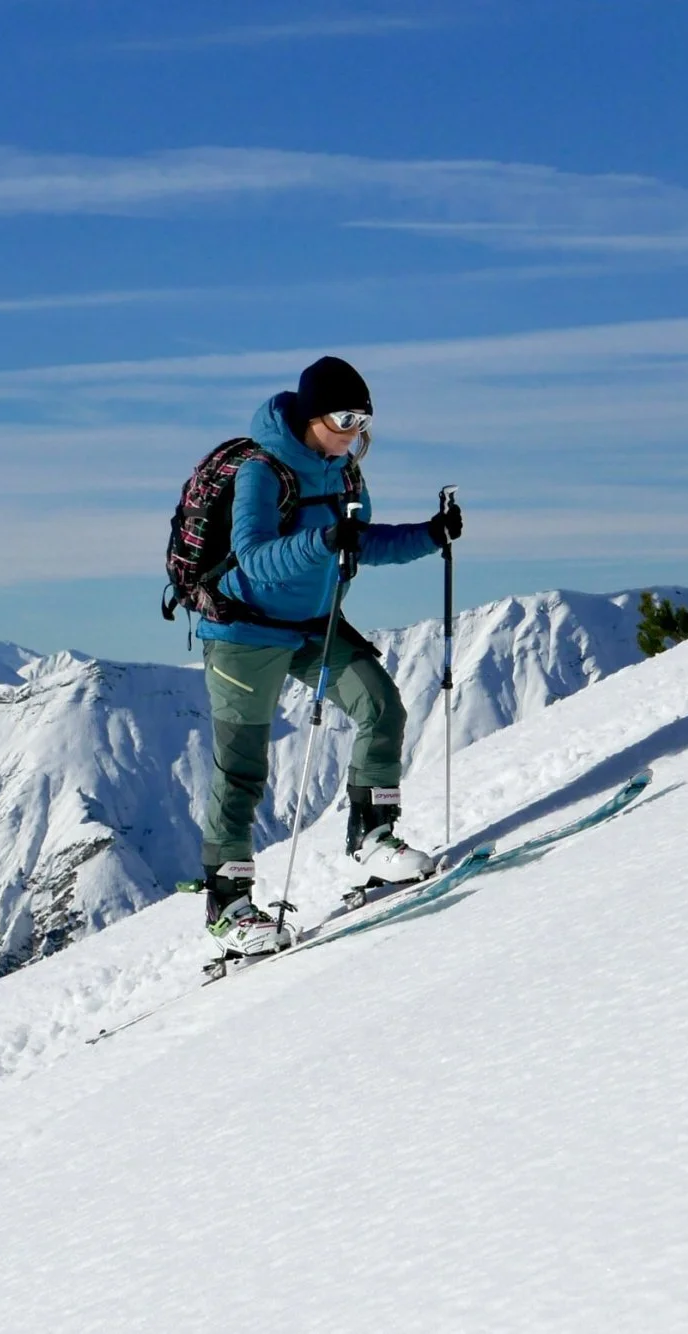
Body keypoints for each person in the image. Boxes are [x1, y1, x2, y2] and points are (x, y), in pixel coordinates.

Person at [195, 355, 463, 956]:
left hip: (316, 624)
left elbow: (360, 545)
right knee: (240, 767)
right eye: (344, 417)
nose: (353, 432)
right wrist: (322, 541)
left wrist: (430, 533)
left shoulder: (344, 473)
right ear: (312, 415)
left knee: (381, 707)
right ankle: (228, 903)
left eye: (363, 420)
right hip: (244, 631)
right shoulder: (264, 472)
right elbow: (255, 558)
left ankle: (373, 836)